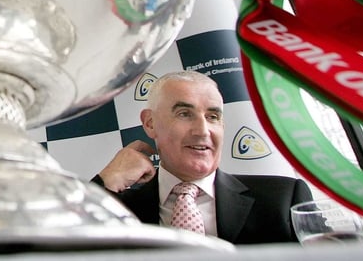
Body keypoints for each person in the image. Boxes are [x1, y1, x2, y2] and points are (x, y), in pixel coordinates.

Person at [92, 70, 312, 244]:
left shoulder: (284, 200)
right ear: (150, 123)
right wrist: (105, 182)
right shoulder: (114, 209)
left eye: (213, 116)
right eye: (184, 114)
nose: (203, 130)